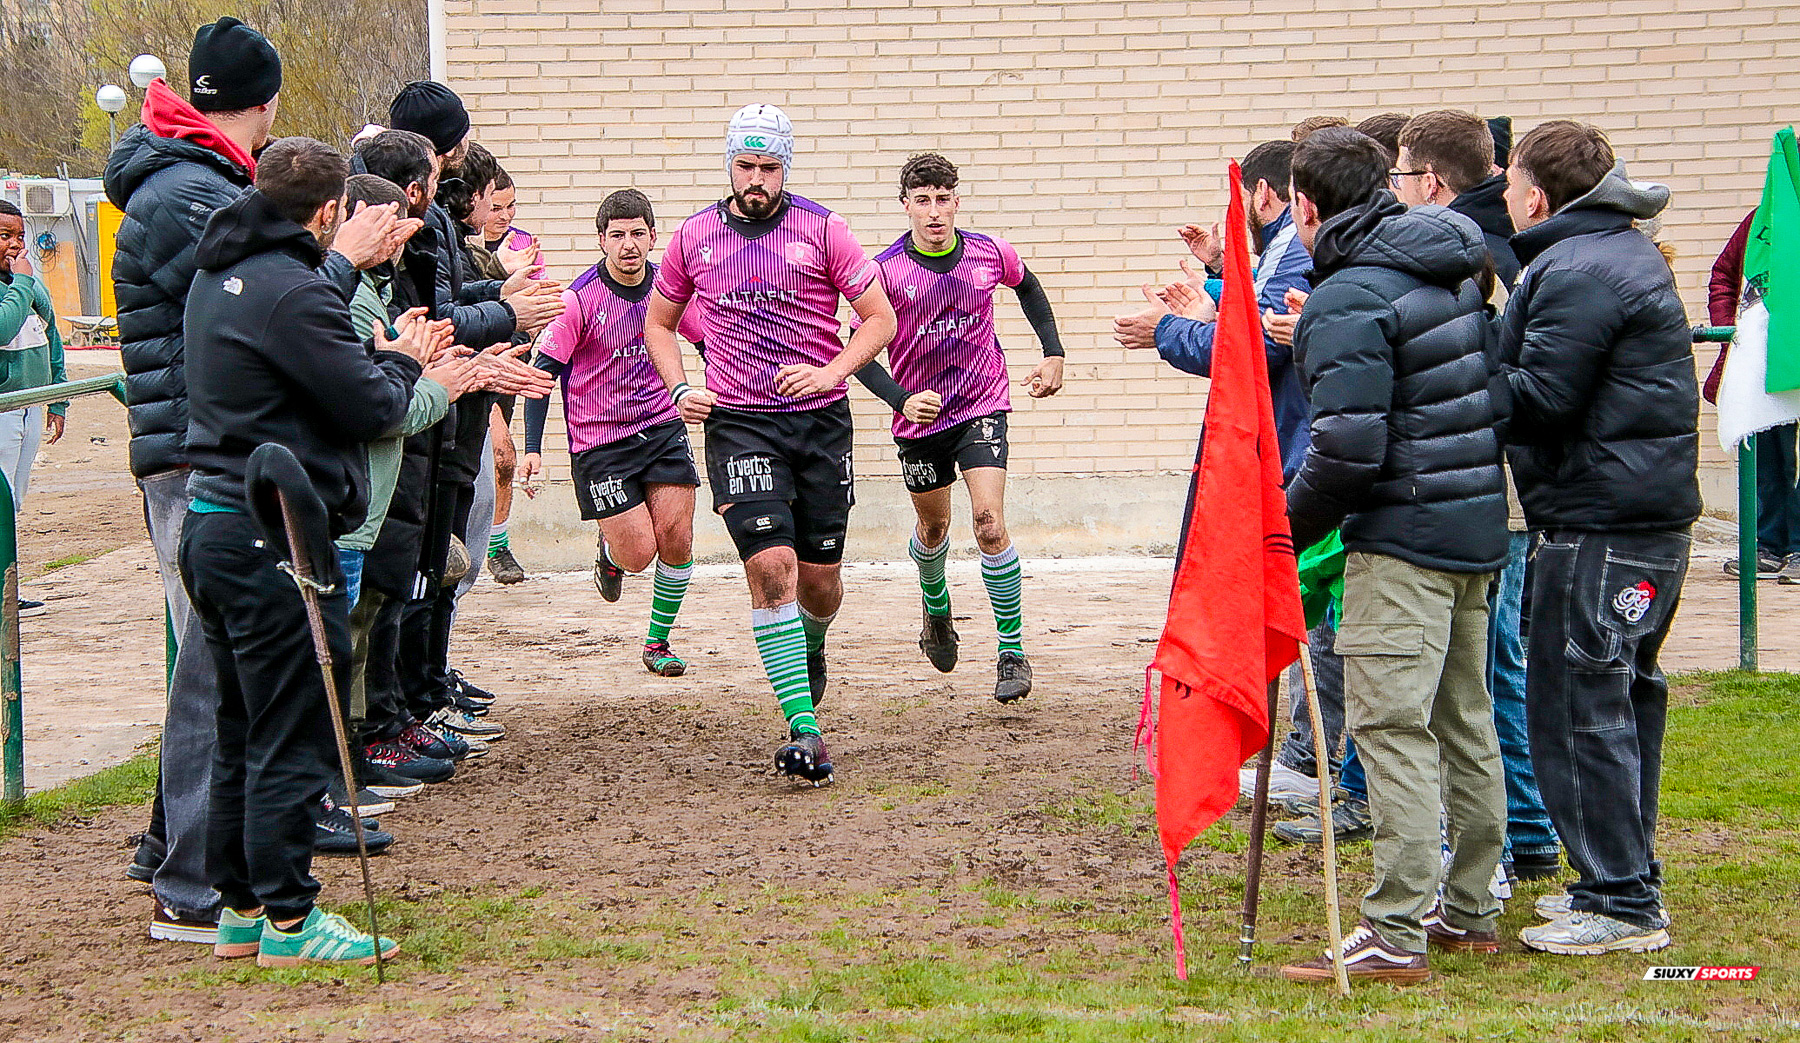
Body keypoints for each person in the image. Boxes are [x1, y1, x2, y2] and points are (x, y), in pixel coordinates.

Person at [103, 15, 405, 947]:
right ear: (263, 107)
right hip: (229, 475)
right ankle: (231, 891)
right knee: (247, 694)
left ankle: (219, 884)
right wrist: (372, 322)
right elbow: (320, 358)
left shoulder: (210, 206)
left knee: (232, 692)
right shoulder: (202, 203)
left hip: (218, 467)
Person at [181, 136, 430, 966]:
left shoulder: (220, 271)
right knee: (288, 731)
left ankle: (240, 909)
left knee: (240, 727)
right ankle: (292, 917)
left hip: (215, 521)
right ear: (330, 212)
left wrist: (343, 277)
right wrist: (398, 360)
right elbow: (365, 405)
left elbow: (292, 345)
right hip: (276, 534)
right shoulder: (296, 290)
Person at [1276, 128, 1508, 984]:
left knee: (1391, 726)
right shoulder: (1448, 262)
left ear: (1305, 205)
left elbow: (1344, 454)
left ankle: (1397, 926)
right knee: (1463, 721)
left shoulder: (1348, 296)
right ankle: (1471, 905)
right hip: (1474, 530)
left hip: (1405, 542)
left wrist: (1280, 534)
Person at [644, 104, 897, 783]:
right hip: (739, 423)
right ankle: (805, 730)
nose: (757, 178)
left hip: (819, 421)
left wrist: (832, 371)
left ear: (787, 166)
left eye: (770, 166)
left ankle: (811, 643)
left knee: (819, 581)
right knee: (773, 569)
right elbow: (659, 323)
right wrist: (678, 390)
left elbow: (881, 318)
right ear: (729, 163)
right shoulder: (695, 236)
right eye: (747, 165)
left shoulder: (824, 228)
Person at [1499, 120, 1697, 956]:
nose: (1504, 197)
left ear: (1538, 195)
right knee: (1620, 699)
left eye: (1510, 182)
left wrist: (1449, 358)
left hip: (1603, 524)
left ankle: (1618, 901)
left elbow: (1541, 397)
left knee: (1584, 706)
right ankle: (1621, 879)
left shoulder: (1579, 267)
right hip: (1630, 517)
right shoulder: (1613, 251)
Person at [1393, 109, 1559, 884]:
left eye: (1399, 176)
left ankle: (1506, 841)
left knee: (1481, 681)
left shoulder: (1476, 251)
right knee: (1491, 674)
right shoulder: (1507, 243)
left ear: (1430, 182)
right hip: (1498, 490)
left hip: (1492, 491)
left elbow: (1494, 378)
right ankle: (1519, 836)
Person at [852, 153, 1065, 701]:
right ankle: (937, 606)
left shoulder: (988, 253)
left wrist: (1052, 352)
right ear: (905, 206)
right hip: (920, 420)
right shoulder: (882, 272)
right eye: (922, 201)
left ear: (956, 201)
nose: (933, 212)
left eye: (942, 199)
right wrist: (901, 399)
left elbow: (1029, 286)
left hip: (981, 404)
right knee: (933, 531)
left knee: (989, 522)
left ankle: (1012, 651)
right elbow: (857, 350)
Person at [521, 189, 701, 676]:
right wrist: (533, 449)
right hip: (600, 443)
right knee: (639, 553)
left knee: (677, 537)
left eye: (637, 233)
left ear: (652, 237)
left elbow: (712, 341)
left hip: (662, 428)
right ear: (602, 240)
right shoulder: (578, 300)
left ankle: (657, 643)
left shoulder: (670, 292)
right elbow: (542, 376)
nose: (628, 244)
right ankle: (610, 552)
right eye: (617, 235)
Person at [1704, 209, 1799, 580]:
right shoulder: (1765, 218)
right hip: (1766, 356)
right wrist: (1733, 333)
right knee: (1770, 451)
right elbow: (1724, 276)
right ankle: (1770, 544)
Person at [0, 200, 69, 619]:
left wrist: (57, 398)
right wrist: (23, 284)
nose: (15, 245)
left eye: (19, 236)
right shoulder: (22, 284)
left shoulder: (28, 284)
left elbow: (52, 339)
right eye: (4, 236)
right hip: (3, 408)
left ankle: (8, 585)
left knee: (14, 500)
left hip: (29, 406)